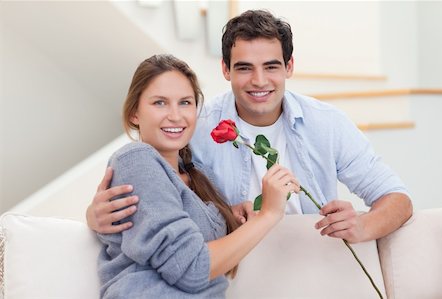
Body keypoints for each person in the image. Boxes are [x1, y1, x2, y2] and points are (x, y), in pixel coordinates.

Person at [88, 10, 412, 244]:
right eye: (244, 68)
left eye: (271, 67)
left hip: (313, 254)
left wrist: (364, 225)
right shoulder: (195, 126)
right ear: (226, 70)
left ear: (289, 67)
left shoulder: (327, 124)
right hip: (236, 265)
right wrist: (94, 218)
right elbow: (155, 197)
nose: (259, 81)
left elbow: (397, 198)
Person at [97, 54, 300, 298]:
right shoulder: (136, 159)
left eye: (185, 102)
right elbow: (191, 268)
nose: (175, 115)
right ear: (134, 114)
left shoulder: (197, 173)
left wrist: (228, 215)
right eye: (160, 103)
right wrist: (268, 214)